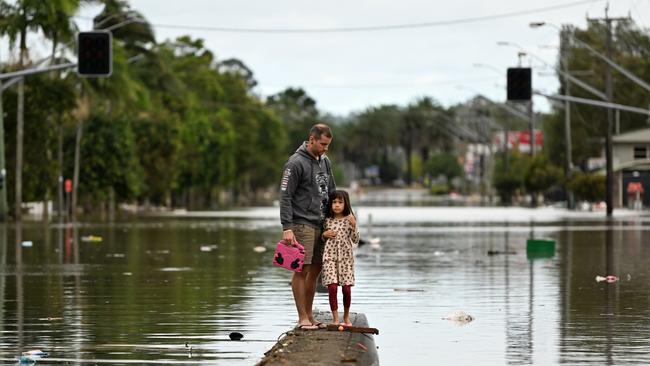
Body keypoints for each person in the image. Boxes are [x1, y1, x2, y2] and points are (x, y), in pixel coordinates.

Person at [280, 123, 336, 330]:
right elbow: (285, 196)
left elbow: (332, 190)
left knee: (316, 270)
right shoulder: (294, 164)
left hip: (322, 224)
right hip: (301, 224)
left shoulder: (325, 161)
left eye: (328, 145)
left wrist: (340, 217)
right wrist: (287, 227)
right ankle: (302, 317)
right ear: (311, 139)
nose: (325, 148)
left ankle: (310, 316)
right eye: (322, 144)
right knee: (301, 270)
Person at [321, 190, 359, 326]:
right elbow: (322, 237)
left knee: (346, 289)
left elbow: (356, 240)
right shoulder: (327, 220)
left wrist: (354, 225)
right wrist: (325, 234)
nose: (337, 205)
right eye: (334, 202)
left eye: (340, 202)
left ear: (345, 203)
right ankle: (336, 319)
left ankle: (347, 317)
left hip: (345, 258)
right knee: (332, 287)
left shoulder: (350, 219)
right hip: (330, 256)